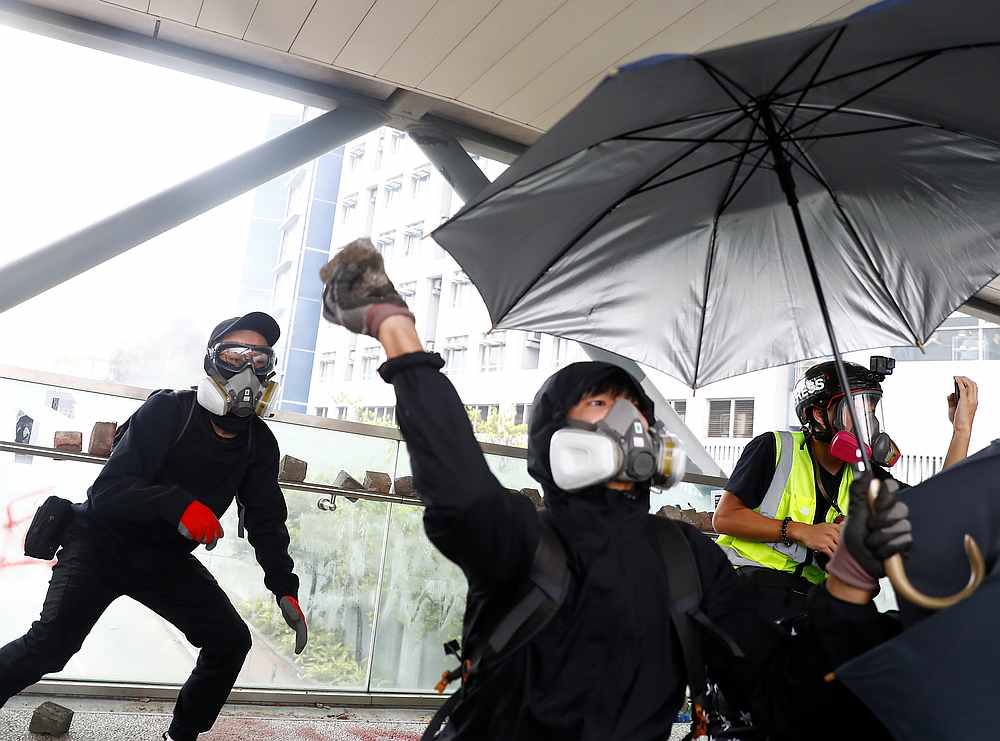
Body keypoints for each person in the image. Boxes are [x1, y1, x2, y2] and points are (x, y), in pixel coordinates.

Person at [318, 240, 911, 741]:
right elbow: (461, 492)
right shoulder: (526, 541)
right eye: (600, 403)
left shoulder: (688, 558)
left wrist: (850, 583)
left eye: (635, 410)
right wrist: (396, 331)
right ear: (556, 439)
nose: (625, 421)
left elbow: (784, 697)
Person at [0, 312, 308, 741]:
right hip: (100, 544)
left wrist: (284, 585)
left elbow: (266, 519)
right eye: (237, 356)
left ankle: (180, 735)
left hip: (164, 560)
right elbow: (107, 493)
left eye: (260, 361)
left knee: (230, 641)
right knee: (50, 647)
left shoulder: (259, 442)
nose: (248, 372)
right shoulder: (169, 410)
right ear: (213, 362)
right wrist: (179, 506)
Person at [714, 359, 978, 623]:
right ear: (819, 415)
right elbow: (724, 518)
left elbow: (935, 505)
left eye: (872, 411)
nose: (870, 423)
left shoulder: (864, 473)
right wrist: (799, 531)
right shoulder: (773, 448)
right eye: (859, 409)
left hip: (808, 599)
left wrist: (961, 431)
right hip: (748, 586)